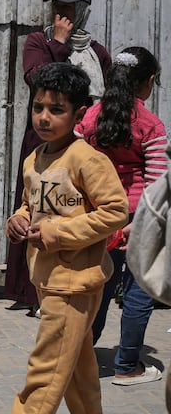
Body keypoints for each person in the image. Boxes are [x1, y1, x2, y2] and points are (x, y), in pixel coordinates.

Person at [0, 63, 128, 414]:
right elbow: (30, 207)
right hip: (48, 280)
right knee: (76, 370)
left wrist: (56, 233)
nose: (45, 117)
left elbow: (116, 211)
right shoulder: (35, 158)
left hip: (76, 282)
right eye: (38, 107)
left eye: (57, 109)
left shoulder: (88, 159)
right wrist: (16, 222)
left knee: (47, 370)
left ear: (78, 114)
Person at [4, 0, 111, 314]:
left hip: (84, 147)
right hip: (46, 144)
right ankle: (32, 288)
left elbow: (105, 96)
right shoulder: (40, 42)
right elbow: (38, 77)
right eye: (57, 7)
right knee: (38, 206)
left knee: (76, 210)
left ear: (82, 12)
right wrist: (61, 44)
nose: (61, 14)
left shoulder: (96, 53)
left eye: (69, 8)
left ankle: (77, 280)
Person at [76, 46, 167, 385]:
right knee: (138, 291)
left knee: (97, 286)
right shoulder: (150, 125)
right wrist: (138, 224)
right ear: (149, 82)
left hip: (97, 215)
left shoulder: (88, 118)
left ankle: (83, 355)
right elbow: (157, 183)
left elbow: (73, 168)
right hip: (136, 216)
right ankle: (128, 365)